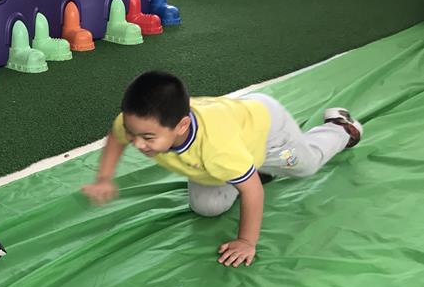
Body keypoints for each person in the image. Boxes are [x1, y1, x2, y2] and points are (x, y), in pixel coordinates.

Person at [81, 71, 363, 267]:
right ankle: (252, 170)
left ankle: (340, 128)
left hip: (267, 130)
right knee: (207, 207)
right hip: (234, 140)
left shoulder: (217, 149)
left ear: (181, 126)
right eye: (133, 134)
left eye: (148, 138)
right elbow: (117, 135)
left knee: (306, 165)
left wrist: (246, 241)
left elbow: (252, 192)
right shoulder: (136, 123)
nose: (138, 143)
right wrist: (104, 178)